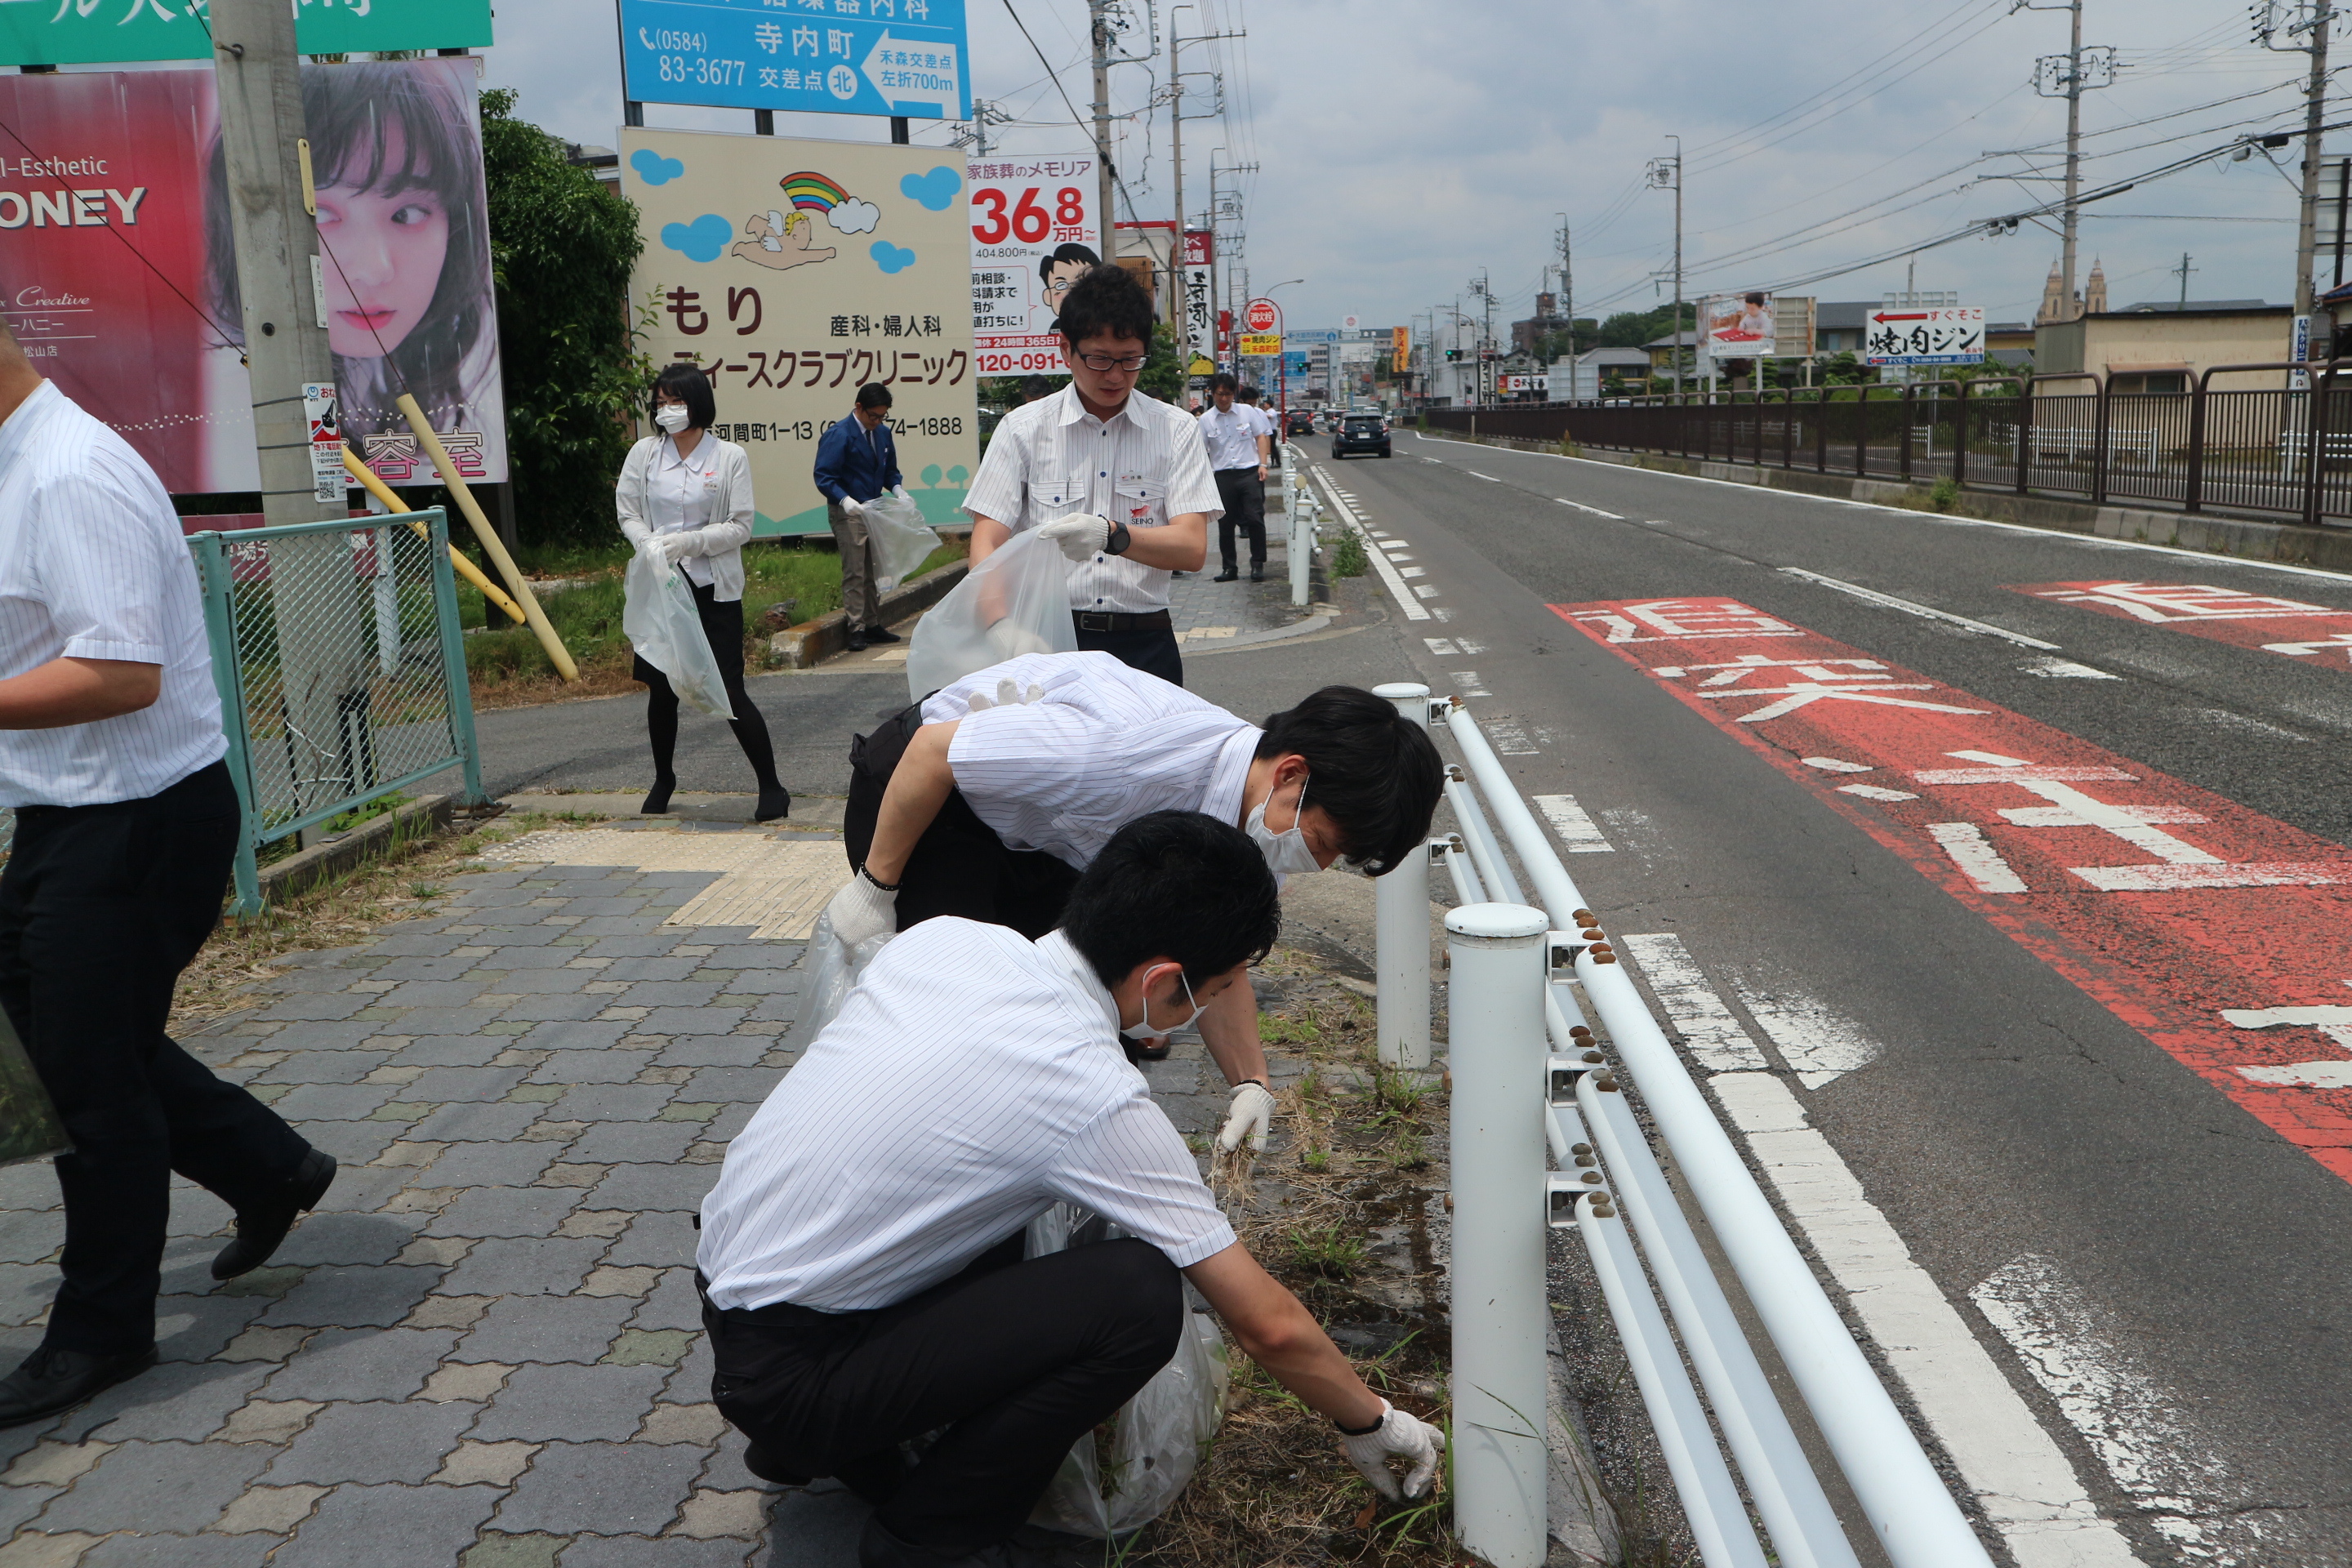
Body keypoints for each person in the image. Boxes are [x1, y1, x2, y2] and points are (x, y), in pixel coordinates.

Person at [699, 811, 1446, 1568]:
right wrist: (1375, 1423)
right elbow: (1268, 1325)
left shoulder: (950, 938)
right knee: (1137, 1298)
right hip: (794, 1372)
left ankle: (817, 1446)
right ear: (1161, 980)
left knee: (999, 1211)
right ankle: (928, 1536)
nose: (1199, 1014)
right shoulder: (1090, 1092)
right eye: (1209, 993)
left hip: (729, 1288)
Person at [0, 318, 336, 1425]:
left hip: (136, 822)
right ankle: (270, 1167)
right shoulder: (21, 461)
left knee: (87, 1080)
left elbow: (119, 670)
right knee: (76, 1042)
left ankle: (104, 1330)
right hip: (72, 812)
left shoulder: (67, 473)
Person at [827, 650, 1443, 1156]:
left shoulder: (1256, 830)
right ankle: (906, 1156)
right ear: (1291, 774)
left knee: (1079, 1021)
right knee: (960, 1021)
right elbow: (934, 753)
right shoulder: (1126, 752)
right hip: (932, 801)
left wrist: (1252, 1083)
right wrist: (876, 887)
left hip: (1045, 836)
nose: (1321, 865)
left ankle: (1050, 1189)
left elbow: (1218, 961)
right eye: (1326, 844)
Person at [206, 56, 503, 474]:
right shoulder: (217, 400)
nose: (372, 269)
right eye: (321, 214)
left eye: (409, 214)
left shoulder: (468, 394)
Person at [964, 264, 1218, 684]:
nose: (1116, 376)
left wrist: (1110, 534)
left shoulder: (1177, 430)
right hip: (1047, 637)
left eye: (1130, 360)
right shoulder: (1022, 430)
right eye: (1099, 359)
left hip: (1145, 646)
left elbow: (1191, 548)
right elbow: (987, 538)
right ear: (1066, 349)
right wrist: (999, 626)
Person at [617, 363, 789, 822]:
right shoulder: (643, 454)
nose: (666, 411)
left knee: (729, 689)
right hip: (663, 587)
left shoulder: (729, 456)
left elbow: (740, 525)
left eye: (676, 402)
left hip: (713, 587)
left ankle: (771, 786)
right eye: (660, 403)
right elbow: (628, 512)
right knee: (661, 688)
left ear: (697, 404)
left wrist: (687, 542)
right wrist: (648, 543)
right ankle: (664, 778)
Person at [813, 383, 909, 653]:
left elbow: (890, 470)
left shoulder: (882, 434)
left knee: (874, 568)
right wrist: (845, 499)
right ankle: (856, 627)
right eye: (873, 416)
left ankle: (872, 622)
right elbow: (824, 475)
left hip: (873, 507)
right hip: (848, 511)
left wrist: (898, 489)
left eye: (882, 416)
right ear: (859, 408)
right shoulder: (839, 434)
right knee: (855, 570)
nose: (877, 421)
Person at [1197, 372, 1271, 582]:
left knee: (1255, 518)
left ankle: (1258, 564)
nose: (1224, 399)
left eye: (1228, 394)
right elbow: (1201, 452)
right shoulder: (1206, 420)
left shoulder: (1247, 412)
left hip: (1249, 472)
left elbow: (1261, 436)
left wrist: (1263, 464)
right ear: (1212, 394)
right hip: (1222, 476)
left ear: (1234, 394)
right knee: (1225, 524)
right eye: (1220, 394)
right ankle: (1230, 567)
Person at [1037, 241, 1100, 319]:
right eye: (1061, 285)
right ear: (1047, 296)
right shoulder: (1054, 329)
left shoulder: (1107, 324)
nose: (1071, 290)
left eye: (1080, 282)